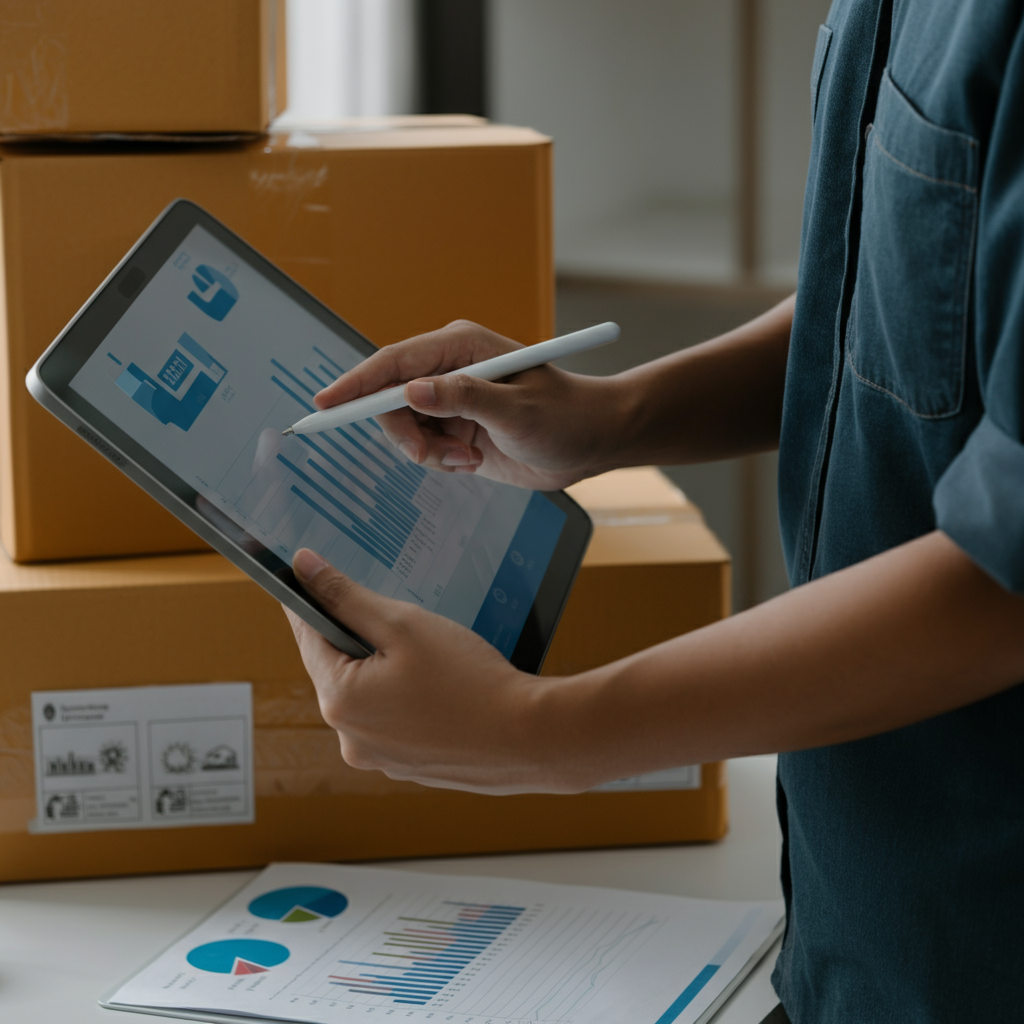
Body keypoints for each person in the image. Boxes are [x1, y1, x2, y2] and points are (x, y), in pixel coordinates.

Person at [283, 2, 1024, 1020]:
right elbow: (909, 284)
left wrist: (535, 734)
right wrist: (609, 416)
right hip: (857, 940)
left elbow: (1006, 580)